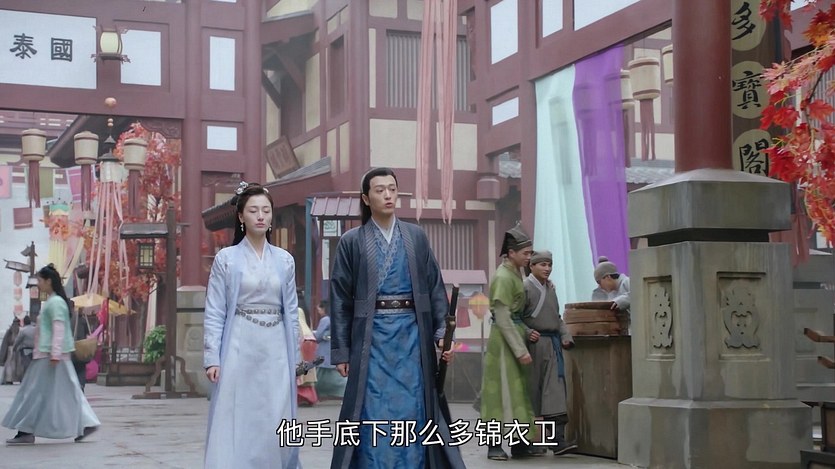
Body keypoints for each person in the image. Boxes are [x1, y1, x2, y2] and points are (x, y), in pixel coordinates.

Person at [329, 167, 465, 469]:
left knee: (414, 406)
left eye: (392, 189)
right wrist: (341, 351)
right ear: (366, 198)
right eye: (380, 190)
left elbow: (434, 287)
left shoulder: (416, 237)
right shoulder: (352, 241)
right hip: (371, 340)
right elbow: (340, 298)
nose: (388, 195)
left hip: (412, 338)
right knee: (372, 407)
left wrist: (441, 334)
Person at [203, 182, 301, 469]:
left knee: (276, 410)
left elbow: (291, 310)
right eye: (253, 210)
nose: (260, 216)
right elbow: (215, 309)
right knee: (237, 411)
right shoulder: (226, 259)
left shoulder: (285, 260)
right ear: (241, 216)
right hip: (240, 340)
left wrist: (295, 358)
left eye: (266, 211)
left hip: (276, 345)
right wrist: (212, 357)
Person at [2, 264, 100, 445]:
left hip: (50, 356)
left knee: (34, 392)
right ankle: (86, 423)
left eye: (40, 280)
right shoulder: (54, 301)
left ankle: (26, 431)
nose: (38, 284)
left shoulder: (55, 303)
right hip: (50, 355)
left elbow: (58, 328)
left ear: (48, 281)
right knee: (65, 391)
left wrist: (55, 353)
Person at [480, 223, 540, 460]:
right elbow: (503, 316)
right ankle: (494, 444)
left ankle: (519, 442)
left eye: (530, 253)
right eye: (525, 253)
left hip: (515, 334)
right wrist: (519, 349)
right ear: (511, 253)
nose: (528, 257)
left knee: (517, 391)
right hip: (504, 341)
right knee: (501, 391)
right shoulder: (503, 276)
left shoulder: (517, 272)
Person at [521, 250, 577, 455]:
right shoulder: (525, 288)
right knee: (530, 393)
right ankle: (524, 441)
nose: (547, 268)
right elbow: (514, 317)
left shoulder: (551, 289)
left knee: (555, 392)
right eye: (542, 264)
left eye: (549, 265)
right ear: (532, 266)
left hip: (552, 345)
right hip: (532, 346)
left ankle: (557, 440)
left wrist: (565, 335)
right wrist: (526, 332)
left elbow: (557, 317)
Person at [313, 300, 346, 398]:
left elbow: (318, 336)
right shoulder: (336, 318)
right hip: (333, 349)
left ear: (324, 308)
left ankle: (317, 393)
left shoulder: (325, 320)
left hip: (324, 350)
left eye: (319, 309)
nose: (319, 312)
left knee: (320, 374)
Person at [297, 305, 319, 407]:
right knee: (308, 371)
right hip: (310, 339)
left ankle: (299, 397)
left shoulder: (295, 309)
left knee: (298, 370)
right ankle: (310, 397)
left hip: (301, 340)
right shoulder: (305, 311)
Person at [0, 317, 21, 384]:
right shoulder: (17, 330)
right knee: (14, 365)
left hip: (12, 349)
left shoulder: (10, 331)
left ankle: (9, 379)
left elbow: (5, 343)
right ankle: (12, 379)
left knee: (11, 365)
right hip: (14, 350)